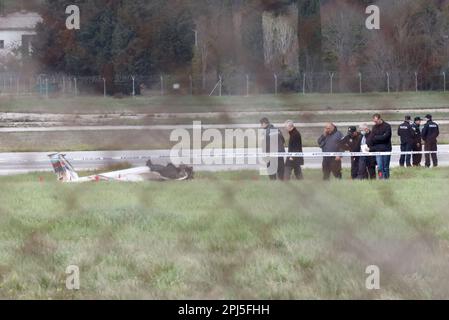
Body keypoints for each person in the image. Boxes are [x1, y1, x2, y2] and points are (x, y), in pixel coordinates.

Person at [367, 114, 392, 179]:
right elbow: (372, 138)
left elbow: (386, 137)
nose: (375, 122)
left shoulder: (387, 126)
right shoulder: (374, 127)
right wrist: (379, 137)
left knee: (385, 167)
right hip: (377, 149)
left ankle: (386, 179)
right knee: (380, 167)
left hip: (386, 149)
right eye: (374, 121)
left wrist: (376, 137)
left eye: (376, 121)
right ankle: (381, 178)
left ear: (380, 119)